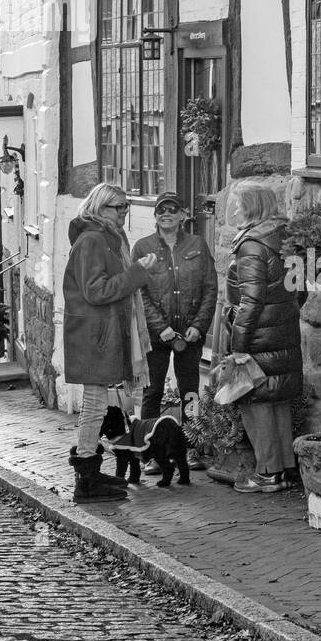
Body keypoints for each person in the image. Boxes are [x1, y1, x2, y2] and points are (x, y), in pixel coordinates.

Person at [63, 182, 156, 502]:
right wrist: (137, 274)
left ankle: (89, 472)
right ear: (99, 208)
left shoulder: (108, 239)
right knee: (94, 406)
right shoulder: (91, 241)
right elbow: (95, 291)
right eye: (119, 207)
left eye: (126, 206)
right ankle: (86, 479)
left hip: (100, 334)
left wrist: (134, 273)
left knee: (98, 405)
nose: (124, 213)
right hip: (93, 336)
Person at [226, 182, 303, 494]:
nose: (234, 210)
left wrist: (239, 347)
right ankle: (284, 469)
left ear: (252, 207)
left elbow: (251, 301)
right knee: (277, 400)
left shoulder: (252, 245)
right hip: (283, 331)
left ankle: (267, 473)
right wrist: (283, 315)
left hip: (257, 336)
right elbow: (302, 289)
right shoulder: (286, 239)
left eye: (239, 204)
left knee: (253, 400)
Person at [132, 193, 218, 469]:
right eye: (160, 210)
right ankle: (149, 454)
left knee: (190, 392)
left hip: (190, 334)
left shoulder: (197, 245)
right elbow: (139, 292)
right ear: (155, 215)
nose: (165, 214)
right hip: (157, 335)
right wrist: (161, 327)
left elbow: (210, 288)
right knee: (152, 392)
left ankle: (190, 448)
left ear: (183, 215)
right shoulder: (142, 247)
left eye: (172, 209)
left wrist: (198, 326)